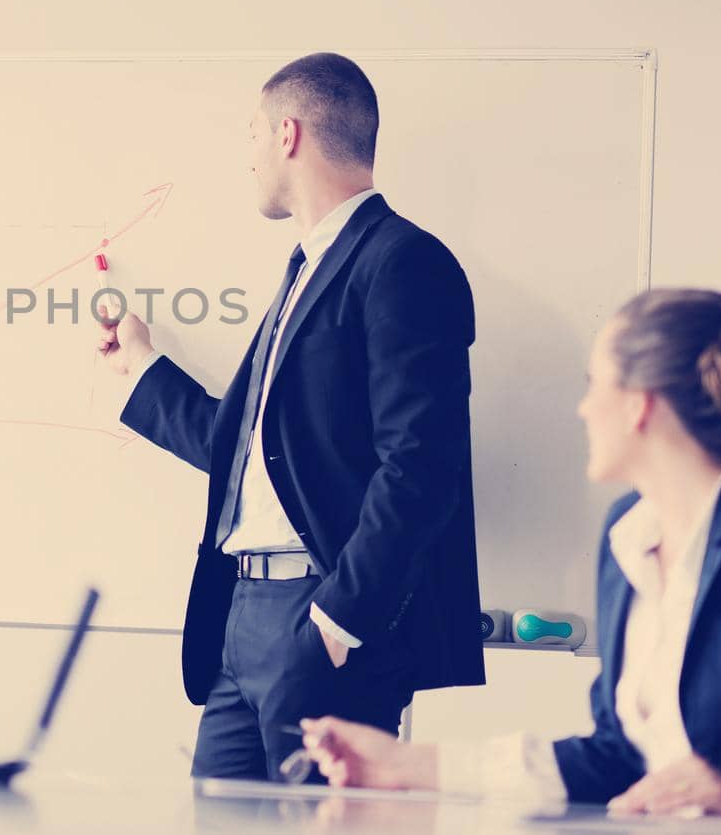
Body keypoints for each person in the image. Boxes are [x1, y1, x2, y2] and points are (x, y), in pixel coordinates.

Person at [97, 52, 484, 780]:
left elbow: (422, 467)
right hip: (240, 615)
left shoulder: (403, 262)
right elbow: (248, 450)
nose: (247, 158)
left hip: (320, 616)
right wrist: (141, 367)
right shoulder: (305, 270)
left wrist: (335, 625)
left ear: (287, 133)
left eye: (250, 134)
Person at [301, 289, 721, 821]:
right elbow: (614, 758)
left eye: (595, 385)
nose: (584, 408)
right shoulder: (628, 537)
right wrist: (404, 764)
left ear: (640, 403)